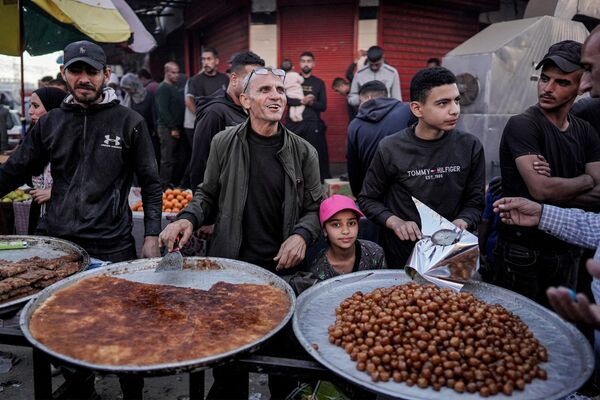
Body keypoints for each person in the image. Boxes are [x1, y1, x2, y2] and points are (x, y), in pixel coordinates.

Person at [0, 40, 161, 399]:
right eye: (76, 71)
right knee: (63, 328)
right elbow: (13, 171)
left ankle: (130, 392)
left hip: (113, 245)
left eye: (92, 71)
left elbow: (151, 183)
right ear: (65, 74)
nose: (84, 78)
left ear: (106, 75)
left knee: (121, 330)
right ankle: (81, 384)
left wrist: (152, 234)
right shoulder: (51, 123)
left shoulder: (129, 122)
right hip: (60, 246)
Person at [159, 67, 322, 399]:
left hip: (281, 274)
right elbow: (207, 194)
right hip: (231, 271)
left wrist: (302, 235)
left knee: (282, 370)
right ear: (245, 100)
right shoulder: (224, 142)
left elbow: (316, 207)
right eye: (265, 90)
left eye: (279, 89)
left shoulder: (304, 151)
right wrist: (187, 218)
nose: (276, 95)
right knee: (230, 367)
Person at [492, 40, 600, 307]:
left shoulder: (585, 130)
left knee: (559, 333)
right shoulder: (524, 124)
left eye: (562, 82)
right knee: (518, 331)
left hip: (568, 251)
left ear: (579, 86)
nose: (547, 88)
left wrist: (553, 191)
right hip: (523, 252)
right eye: (544, 79)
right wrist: (586, 180)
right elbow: (541, 189)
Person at [358, 67, 485, 269]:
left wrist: (463, 221)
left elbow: (475, 202)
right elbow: (367, 199)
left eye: (457, 100)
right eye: (443, 103)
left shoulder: (470, 146)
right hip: (404, 256)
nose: (455, 110)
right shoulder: (391, 148)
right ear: (418, 109)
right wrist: (395, 222)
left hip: (454, 255)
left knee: (455, 302)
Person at [189, 51, 265, 189]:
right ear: (234, 79)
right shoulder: (214, 112)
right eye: (251, 80)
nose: (256, 86)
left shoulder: (251, 110)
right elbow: (200, 165)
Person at [346, 80, 414, 195]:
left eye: (360, 101)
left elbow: (353, 167)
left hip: (374, 192)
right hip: (409, 187)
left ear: (368, 97)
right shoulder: (409, 110)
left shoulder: (355, 125)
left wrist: (359, 194)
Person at [311, 194, 386, 280]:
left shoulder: (375, 253)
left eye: (351, 223)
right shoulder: (319, 270)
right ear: (325, 230)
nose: (346, 231)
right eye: (336, 225)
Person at [26, 86, 67, 234]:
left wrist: (54, 192)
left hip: (65, 219)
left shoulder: (71, 141)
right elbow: (17, 169)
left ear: (53, 109)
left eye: (36, 106)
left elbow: (89, 181)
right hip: (39, 215)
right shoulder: (34, 137)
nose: (30, 111)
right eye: (31, 105)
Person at [285, 51, 330, 181]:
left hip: (312, 123)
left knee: (315, 155)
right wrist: (301, 101)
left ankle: (319, 182)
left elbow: (323, 106)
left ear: (313, 64)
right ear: (299, 63)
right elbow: (284, 98)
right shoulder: (291, 78)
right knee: (292, 154)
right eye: (303, 61)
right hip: (293, 124)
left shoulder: (318, 83)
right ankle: (292, 181)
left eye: (309, 61)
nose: (306, 64)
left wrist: (309, 102)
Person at [155, 61, 185, 189]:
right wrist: (173, 127)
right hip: (167, 128)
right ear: (166, 73)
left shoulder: (174, 86)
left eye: (178, 72)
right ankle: (163, 186)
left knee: (174, 158)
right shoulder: (163, 88)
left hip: (175, 127)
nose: (177, 75)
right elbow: (162, 110)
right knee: (167, 159)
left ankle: (170, 183)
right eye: (173, 72)